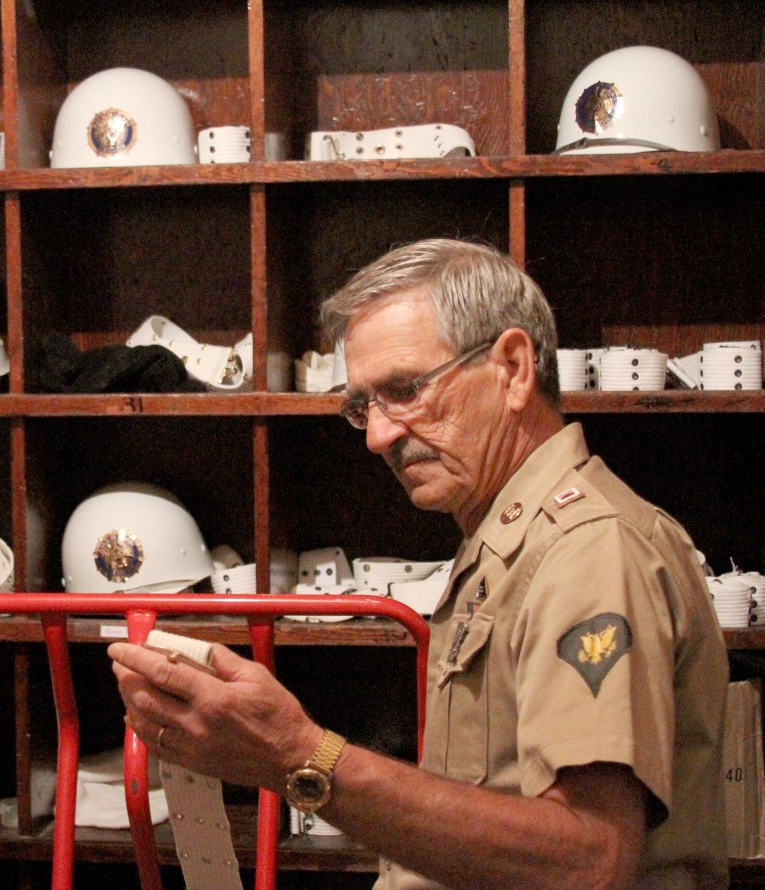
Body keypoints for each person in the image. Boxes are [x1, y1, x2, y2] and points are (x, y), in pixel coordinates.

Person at [109, 238, 729, 889]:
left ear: (514, 368)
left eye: (405, 390)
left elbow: (589, 858)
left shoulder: (585, 547)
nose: (379, 436)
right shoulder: (508, 539)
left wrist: (299, 755)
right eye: (361, 407)